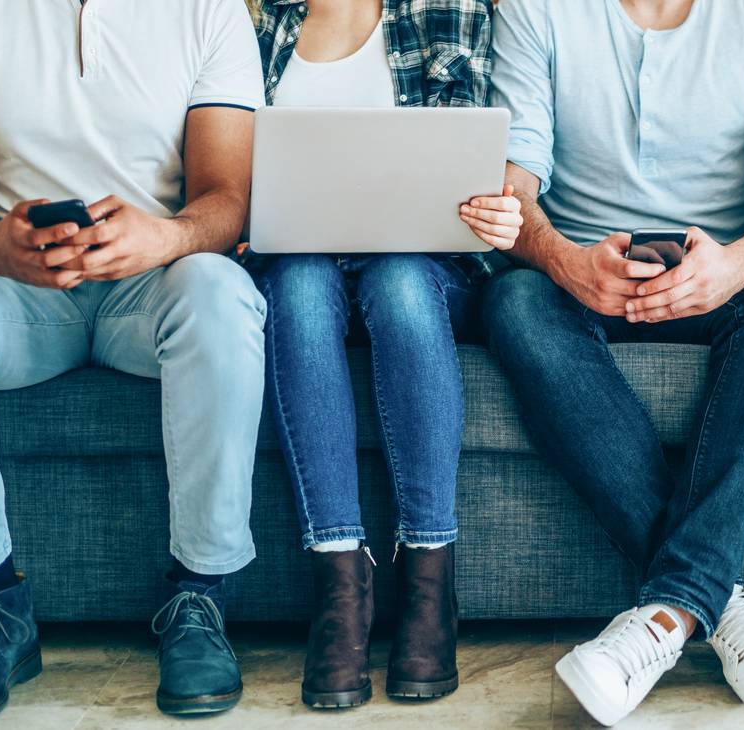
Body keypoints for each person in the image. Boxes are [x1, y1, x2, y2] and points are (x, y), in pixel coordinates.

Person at [483, 0, 744, 724]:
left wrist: (736, 265)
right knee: (514, 301)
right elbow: (512, 181)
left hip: (721, 274)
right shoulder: (533, 9)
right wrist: (564, 260)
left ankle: (665, 614)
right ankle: (714, 601)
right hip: (581, 271)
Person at [0, 0, 268, 722]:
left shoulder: (210, 12)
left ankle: (198, 598)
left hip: (151, 287)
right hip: (19, 292)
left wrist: (166, 238)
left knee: (219, 288)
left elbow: (227, 198)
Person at [248, 0, 520, 710]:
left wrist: (484, 209)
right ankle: (340, 590)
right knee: (298, 290)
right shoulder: (262, 23)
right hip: (301, 261)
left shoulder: (447, 10)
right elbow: (234, 162)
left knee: (399, 281)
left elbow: (464, 155)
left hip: (421, 265)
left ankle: (430, 587)